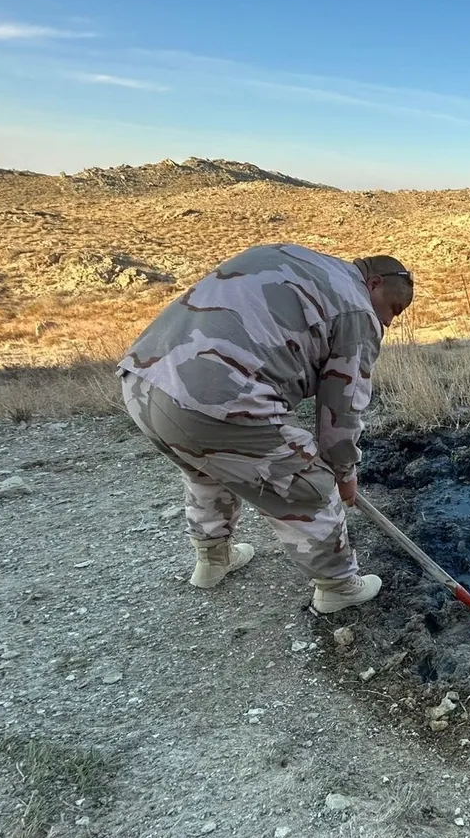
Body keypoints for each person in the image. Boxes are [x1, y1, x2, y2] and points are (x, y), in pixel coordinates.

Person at [116, 243, 413, 614]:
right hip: (218, 398)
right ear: (374, 283)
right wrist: (342, 472)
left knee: (208, 467)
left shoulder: (297, 259)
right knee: (310, 486)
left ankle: (213, 561)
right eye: (392, 309)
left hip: (143, 382)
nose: (387, 322)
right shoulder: (357, 308)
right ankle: (338, 586)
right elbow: (341, 411)